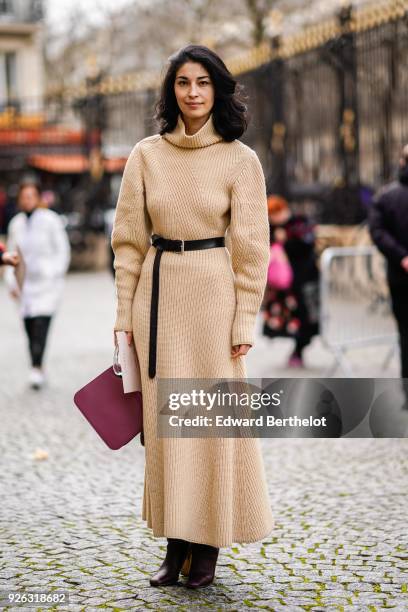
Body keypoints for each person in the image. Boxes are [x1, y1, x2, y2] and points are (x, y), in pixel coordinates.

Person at [111, 44, 274, 589]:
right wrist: (122, 317)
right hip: (156, 296)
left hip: (212, 296)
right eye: (183, 82)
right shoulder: (145, 155)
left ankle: (206, 549)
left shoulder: (239, 159)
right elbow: (129, 244)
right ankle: (174, 543)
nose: (193, 92)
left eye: (203, 82)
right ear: (171, 91)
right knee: (166, 429)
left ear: (217, 89)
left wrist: (244, 319)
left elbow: (252, 250)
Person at [4, 181, 71, 389]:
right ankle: (37, 366)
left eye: (31, 196)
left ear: (39, 197)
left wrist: (54, 272)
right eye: (24, 197)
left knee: (42, 324)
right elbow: (11, 254)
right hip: (25, 285)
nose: (27, 200)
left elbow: (62, 249)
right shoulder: (16, 224)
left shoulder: (51, 221)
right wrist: (10, 281)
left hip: (47, 284)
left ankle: (36, 367)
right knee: (29, 327)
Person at [369, 145, 408, 409]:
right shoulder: (387, 196)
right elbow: (378, 231)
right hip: (400, 275)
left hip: (400, 274)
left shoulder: (386, 195)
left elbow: (378, 232)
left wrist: (401, 256)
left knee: (405, 334)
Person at [262, 195, 319, 367]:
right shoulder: (270, 228)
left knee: (307, 316)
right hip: (284, 284)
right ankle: (297, 350)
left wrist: (285, 241)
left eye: (277, 213)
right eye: (272, 215)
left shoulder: (299, 223)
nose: (276, 217)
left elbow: (307, 245)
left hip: (304, 279)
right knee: (291, 316)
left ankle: (299, 350)